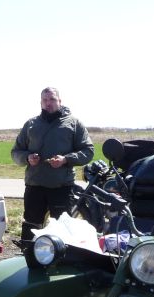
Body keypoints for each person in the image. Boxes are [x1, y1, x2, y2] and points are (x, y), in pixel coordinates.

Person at [11, 87, 94, 244]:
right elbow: (15, 152)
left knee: (62, 231)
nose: (48, 103)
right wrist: (28, 158)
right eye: (45, 100)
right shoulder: (31, 124)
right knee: (30, 228)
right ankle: (28, 256)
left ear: (60, 101)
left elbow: (88, 151)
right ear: (41, 102)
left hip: (62, 188)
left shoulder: (74, 124)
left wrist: (65, 159)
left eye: (52, 99)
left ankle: (61, 259)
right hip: (35, 186)